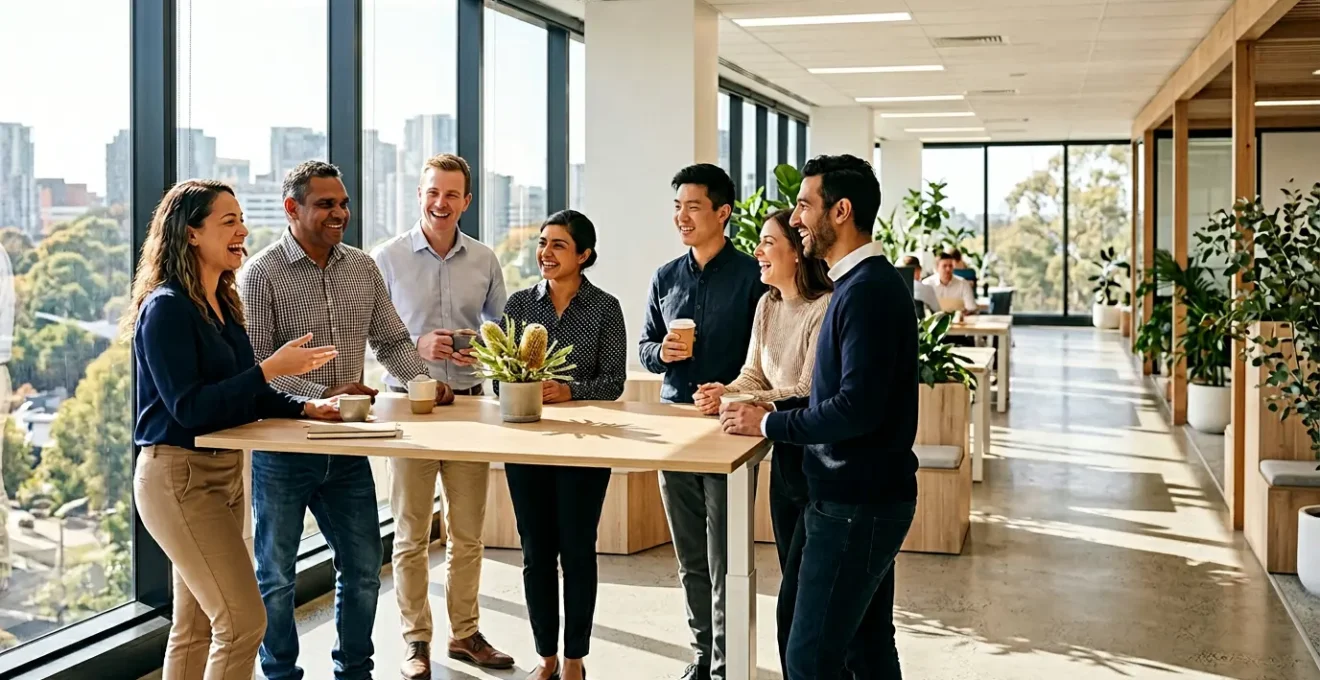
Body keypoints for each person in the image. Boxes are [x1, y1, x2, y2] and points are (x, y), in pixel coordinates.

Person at [238, 161, 456, 680]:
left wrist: (424, 382)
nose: (340, 213)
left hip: (348, 446)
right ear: (292, 209)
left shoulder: (361, 268)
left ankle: (355, 670)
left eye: (343, 203)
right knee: (275, 577)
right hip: (284, 449)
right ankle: (281, 674)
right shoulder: (261, 274)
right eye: (326, 204)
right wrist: (321, 394)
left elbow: (393, 341)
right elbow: (254, 368)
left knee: (361, 570)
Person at [130, 180, 343, 680]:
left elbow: (248, 391)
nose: (243, 231)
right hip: (178, 480)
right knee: (245, 622)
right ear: (190, 235)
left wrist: (306, 405)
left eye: (241, 219)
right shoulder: (166, 309)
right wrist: (270, 368)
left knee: (198, 625)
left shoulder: (223, 305)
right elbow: (191, 409)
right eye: (228, 222)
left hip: (224, 474)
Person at [720, 154, 919, 680]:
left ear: (841, 211)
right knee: (867, 648)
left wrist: (765, 423)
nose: (798, 218)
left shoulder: (868, 293)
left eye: (806, 206)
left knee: (808, 659)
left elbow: (854, 409)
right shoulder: (861, 287)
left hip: (855, 504)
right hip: (852, 498)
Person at [372, 153, 513, 678]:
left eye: (452, 194)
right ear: (419, 194)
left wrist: (482, 348)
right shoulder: (385, 258)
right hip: (409, 407)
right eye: (433, 191)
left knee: (467, 532)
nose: (441, 202)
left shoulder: (485, 260)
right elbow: (372, 338)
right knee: (409, 534)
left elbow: (504, 334)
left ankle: (465, 633)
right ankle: (415, 640)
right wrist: (418, 344)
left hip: (471, 404)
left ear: (466, 201)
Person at [691, 208, 832, 678]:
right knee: (791, 582)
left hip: (816, 458)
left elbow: (808, 390)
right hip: (782, 459)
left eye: (769, 243)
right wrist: (724, 391)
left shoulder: (825, 307)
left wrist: (748, 401)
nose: (758, 252)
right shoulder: (768, 304)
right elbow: (754, 373)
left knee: (802, 590)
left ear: (797, 252)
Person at [639, 163, 764, 680]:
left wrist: (732, 390)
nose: (682, 217)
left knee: (727, 554)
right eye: (677, 207)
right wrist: (662, 352)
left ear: (723, 212)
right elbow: (645, 349)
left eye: (693, 207)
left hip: (730, 429)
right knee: (690, 552)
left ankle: (728, 661)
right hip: (676, 428)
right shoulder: (665, 277)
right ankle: (703, 653)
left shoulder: (754, 277)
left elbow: (767, 359)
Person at [498, 210, 626, 680]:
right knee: (535, 552)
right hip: (528, 444)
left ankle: (575, 658)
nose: (545, 253)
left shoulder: (605, 307)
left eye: (558, 245)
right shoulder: (518, 306)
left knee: (576, 550)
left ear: (584, 255)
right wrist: (525, 389)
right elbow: (501, 380)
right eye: (542, 243)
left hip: (586, 445)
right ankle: (545, 655)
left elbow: (613, 382)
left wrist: (570, 390)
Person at [924, 250, 978, 315]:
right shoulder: (927, 284)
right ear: (937, 268)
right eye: (944, 266)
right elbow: (923, 310)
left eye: (950, 266)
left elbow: (971, 308)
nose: (948, 269)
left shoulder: (963, 284)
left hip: (959, 322)